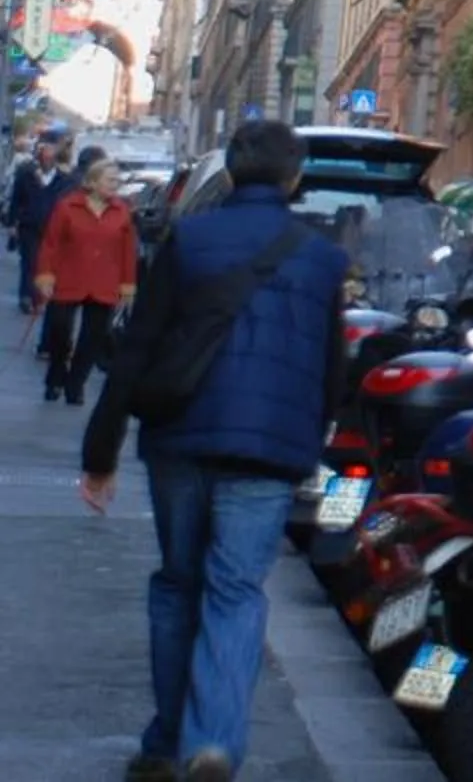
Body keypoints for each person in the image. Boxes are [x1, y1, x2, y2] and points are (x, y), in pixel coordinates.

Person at [80, 119, 351, 782]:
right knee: (235, 591)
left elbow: (138, 346)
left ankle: (168, 740)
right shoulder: (322, 257)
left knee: (179, 584)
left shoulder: (189, 238)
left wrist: (101, 451)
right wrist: (309, 441)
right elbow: (332, 369)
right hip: (268, 452)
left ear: (229, 172)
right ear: (296, 179)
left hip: (181, 438)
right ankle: (213, 742)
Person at [37, 153, 139, 402]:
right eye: (110, 180)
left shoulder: (122, 212)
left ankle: (76, 384)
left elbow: (128, 251)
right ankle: (56, 374)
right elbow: (51, 243)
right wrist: (45, 275)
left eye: (117, 181)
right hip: (68, 277)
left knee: (93, 337)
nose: (115, 185)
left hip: (104, 281)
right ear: (92, 182)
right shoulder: (68, 206)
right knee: (59, 330)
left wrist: (127, 286)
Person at [10, 127, 73, 311]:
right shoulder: (26, 172)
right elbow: (16, 198)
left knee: (44, 262)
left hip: (52, 226)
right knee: (29, 260)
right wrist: (13, 222)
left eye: (51, 150)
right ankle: (26, 297)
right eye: (44, 149)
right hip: (29, 224)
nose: (47, 154)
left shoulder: (63, 178)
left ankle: (38, 298)